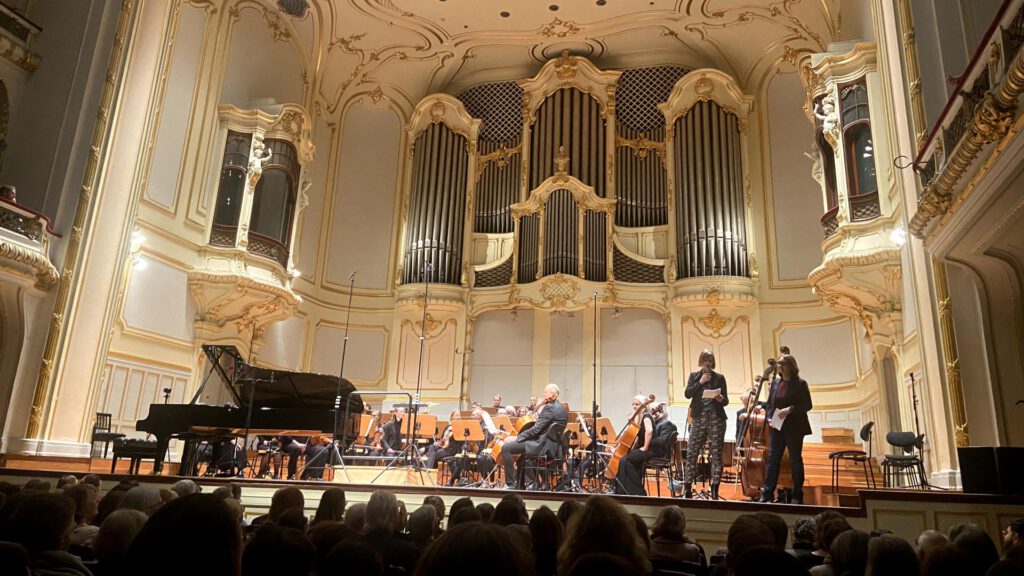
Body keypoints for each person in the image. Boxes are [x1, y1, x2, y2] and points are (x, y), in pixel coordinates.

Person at [760, 353, 813, 504]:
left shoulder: (801, 384)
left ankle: (797, 495)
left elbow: (807, 405)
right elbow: (771, 404)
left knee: (795, 460)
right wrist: (769, 417)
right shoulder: (776, 383)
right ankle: (767, 493)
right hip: (777, 425)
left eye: (782, 363)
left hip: (795, 426)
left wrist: (790, 409)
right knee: (773, 459)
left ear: (791, 366)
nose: (779, 366)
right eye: (779, 364)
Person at [500, 383, 568, 489]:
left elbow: (535, 430)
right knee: (521, 458)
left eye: (545, 392)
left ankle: (510, 484)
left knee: (506, 448)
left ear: (553, 394)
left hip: (541, 445)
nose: (543, 393)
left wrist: (518, 437)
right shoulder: (562, 409)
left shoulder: (549, 408)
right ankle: (520, 485)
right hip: (553, 447)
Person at [682, 349, 729, 499]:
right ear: (701, 362)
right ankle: (687, 488)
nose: (708, 364)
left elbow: (726, 401)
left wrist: (721, 399)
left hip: (716, 419)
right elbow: (687, 394)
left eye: (710, 361)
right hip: (699, 419)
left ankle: (714, 489)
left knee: (716, 455)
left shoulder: (720, 377)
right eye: (705, 361)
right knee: (691, 453)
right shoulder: (694, 376)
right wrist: (700, 382)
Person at [614, 395, 656, 496]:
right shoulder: (640, 417)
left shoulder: (646, 416)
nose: (634, 406)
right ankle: (624, 490)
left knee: (625, 460)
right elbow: (637, 436)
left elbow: (649, 431)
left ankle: (638, 491)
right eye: (633, 404)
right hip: (643, 449)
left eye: (637, 404)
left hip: (650, 449)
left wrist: (645, 447)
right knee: (624, 459)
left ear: (643, 406)